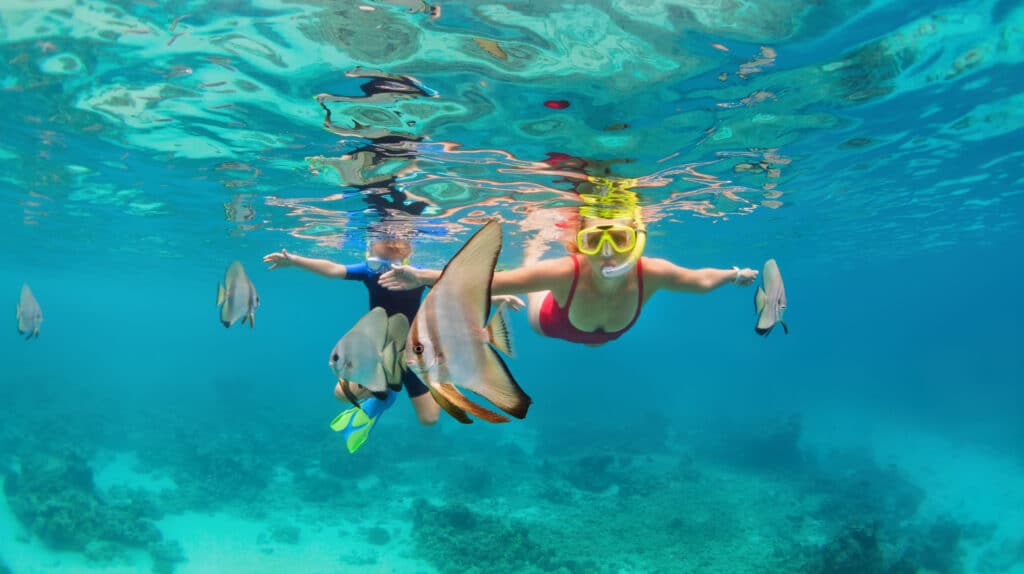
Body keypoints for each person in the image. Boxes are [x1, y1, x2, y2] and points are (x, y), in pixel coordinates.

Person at [379, 188, 759, 346]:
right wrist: (422, 275)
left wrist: (733, 276)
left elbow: (699, 281)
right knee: (529, 280)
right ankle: (533, 249)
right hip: (551, 323)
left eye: (620, 240)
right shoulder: (567, 272)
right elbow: (488, 282)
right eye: (594, 241)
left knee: (531, 279)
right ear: (580, 244)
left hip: (602, 329)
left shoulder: (652, 271)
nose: (608, 253)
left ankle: (535, 250)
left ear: (636, 239)